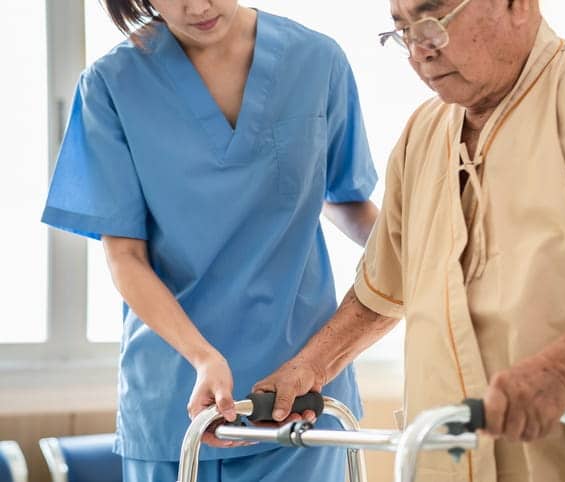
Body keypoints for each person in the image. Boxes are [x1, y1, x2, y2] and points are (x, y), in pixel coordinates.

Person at [252, 0, 565, 480]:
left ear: (518, 6)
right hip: (452, 460)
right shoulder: (423, 134)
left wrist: (560, 372)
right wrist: (309, 368)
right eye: (402, 32)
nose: (419, 52)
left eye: (433, 22)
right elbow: (383, 288)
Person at [41, 1, 379, 481]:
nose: (198, 5)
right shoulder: (113, 84)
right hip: (177, 398)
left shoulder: (316, 60)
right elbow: (125, 256)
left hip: (301, 395)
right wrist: (202, 356)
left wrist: (427, 250)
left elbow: (343, 197)